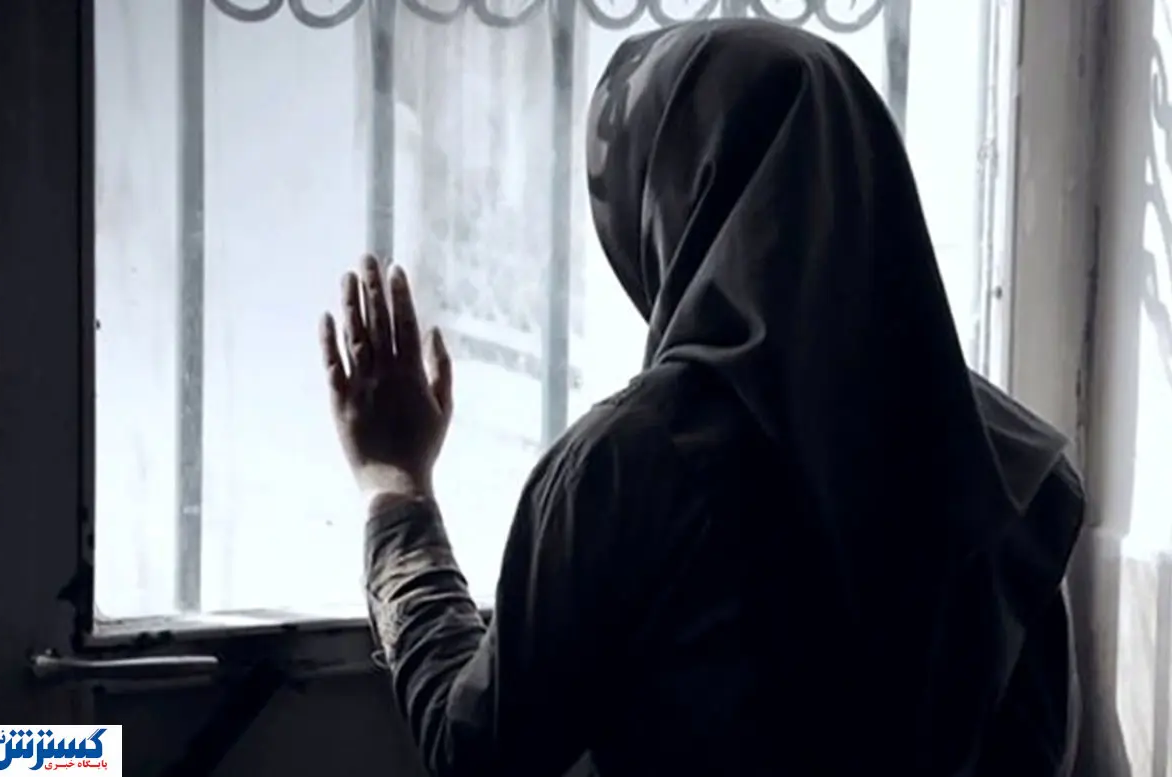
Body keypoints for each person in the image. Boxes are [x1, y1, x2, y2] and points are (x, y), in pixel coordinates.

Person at [319, 19, 1085, 777]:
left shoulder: (626, 469)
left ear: (661, 207)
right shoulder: (1012, 469)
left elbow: (477, 752)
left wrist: (397, 493)